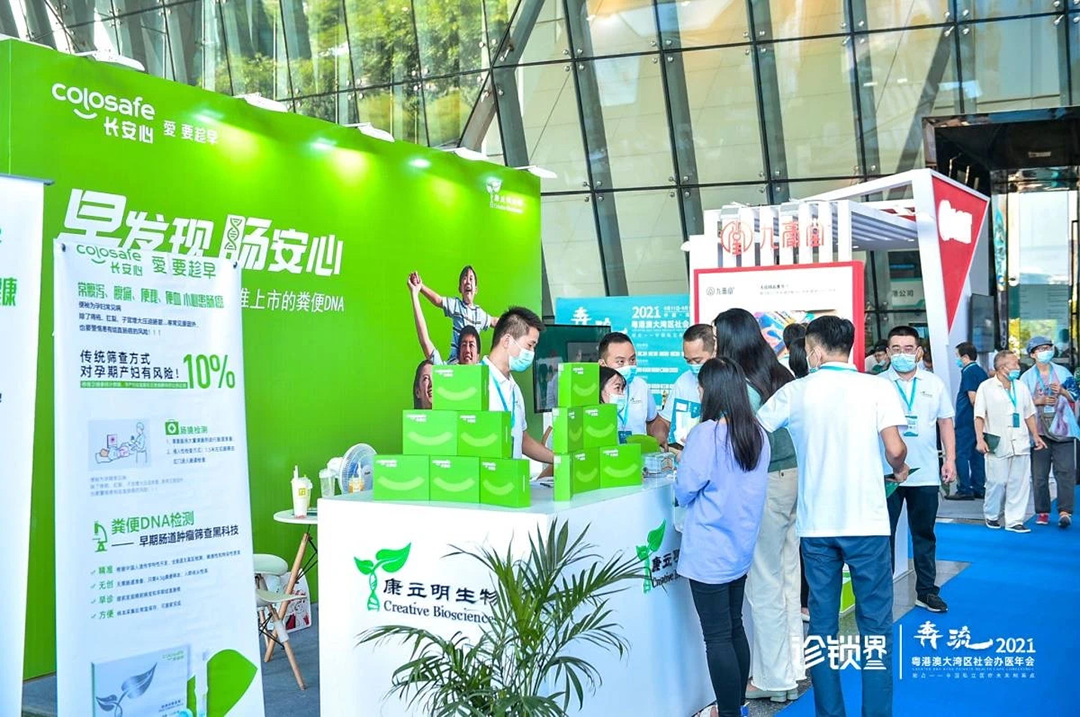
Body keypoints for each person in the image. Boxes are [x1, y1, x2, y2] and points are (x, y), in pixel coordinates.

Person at [758, 316, 909, 717]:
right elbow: (895, 449)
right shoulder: (877, 388)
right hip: (867, 523)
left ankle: (829, 712)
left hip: (817, 526)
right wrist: (899, 469)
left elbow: (756, 429)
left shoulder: (797, 391)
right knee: (875, 625)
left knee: (822, 626)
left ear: (815, 350)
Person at [712, 309, 802, 704]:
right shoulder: (778, 372)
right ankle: (792, 671)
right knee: (787, 579)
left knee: (764, 582)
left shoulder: (739, 382)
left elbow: (734, 440)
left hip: (764, 482)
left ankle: (773, 679)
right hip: (792, 477)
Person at [675, 357, 770, 717]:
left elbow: (685, 489)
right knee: (734, 627)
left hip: (708, 551)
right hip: (739, 549)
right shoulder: (757, 433)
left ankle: (728, 714)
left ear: (709, 391)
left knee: (716, 636)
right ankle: (738, 707)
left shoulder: (707, 434)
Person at [880, 326, 956, 613]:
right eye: (896, 349)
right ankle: (881, 593)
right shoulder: (877, 384)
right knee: (882, 535)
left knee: (924, 534)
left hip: (925, 472)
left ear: (919, 352)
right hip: (885, 472)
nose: (902, 354)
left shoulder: (933, 383)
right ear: (888, 353)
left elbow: (945, 422)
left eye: (908, 348)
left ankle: (926, 591)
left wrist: (950, 459)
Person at [974, 351, 1046, 532]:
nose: (1017, 367)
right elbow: (979, 415)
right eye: (1014, 364)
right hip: (997, 441)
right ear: (1002, 367)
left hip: (1020, 441)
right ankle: (991, 514)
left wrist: (1036, 435)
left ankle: (1014, 520)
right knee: (996, 481)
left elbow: (1029, 414)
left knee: (1019, 483)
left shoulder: (1020, 387)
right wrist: (979, 439)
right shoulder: (986, 387)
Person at [1019, 336, 1079, 528]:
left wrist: (1062, 391)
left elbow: (1075, 395)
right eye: (1041, 349)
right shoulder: (1026, 378)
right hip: (1039, 432)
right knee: (1039, 475)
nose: (1045, 351)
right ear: (1032, 354)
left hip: (1063, 429)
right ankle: (1042, 511)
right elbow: (1021, 403)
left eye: (1048, 348)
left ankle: (1065, 511)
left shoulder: (1062, 372)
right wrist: (1040, 401)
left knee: (1065, 472)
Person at [484, 306, 553, 464]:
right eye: (530, 345)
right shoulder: (476, 382)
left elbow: (522, 439)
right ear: (507, 341)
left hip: (511, 476)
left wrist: (559, 459)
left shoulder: (514, 389)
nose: (532, 353)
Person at [412, 266, 497, 363]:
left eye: (471, 279)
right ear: (460, 288)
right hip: (455, 360)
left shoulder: (479, 314)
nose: (468, 282)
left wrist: (511, 323)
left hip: (471, 363)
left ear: (476, 289)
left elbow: (494, 321)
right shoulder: (456, 305)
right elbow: (438, 300)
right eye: (465, 278)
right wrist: (421, 287)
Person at [653, 324, 716, 448]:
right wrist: (661, 437)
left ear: (714, 352)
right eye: (688, 360)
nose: (693, 366)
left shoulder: (730, 381)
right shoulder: (683, 381)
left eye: (697, 361)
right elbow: (664, 421)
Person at [598, 332, 658, 439]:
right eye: (620, 361)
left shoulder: (641, 386)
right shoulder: (593, 390)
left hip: (638, 448)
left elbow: (652, 420)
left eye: (632, 360)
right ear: (603, 364)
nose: (629, 366)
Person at [948, 342, 988, 501]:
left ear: (965, 357)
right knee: (977, 455)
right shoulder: (980, 371)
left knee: (962, 454)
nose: (957, 360)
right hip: (977, 421)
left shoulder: (969, 372)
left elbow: (973, 398)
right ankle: (978, 487)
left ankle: (964, 488)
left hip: (966, 420)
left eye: (957, 356)